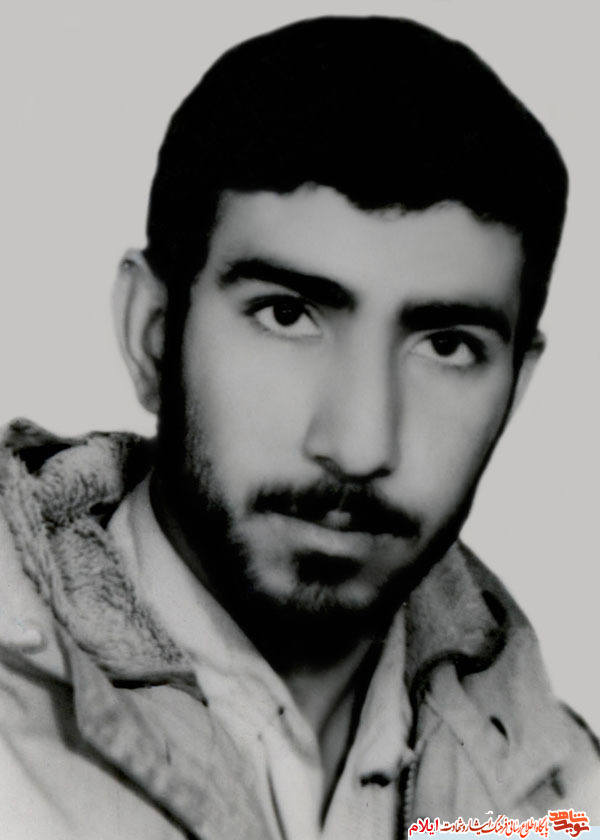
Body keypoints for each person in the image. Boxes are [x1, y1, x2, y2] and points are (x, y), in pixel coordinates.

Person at [0, 15, 598, 840]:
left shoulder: (562, 801)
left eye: (446, 345)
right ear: (153, 335)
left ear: (515, 388)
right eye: (287, 315)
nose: (360, 446)